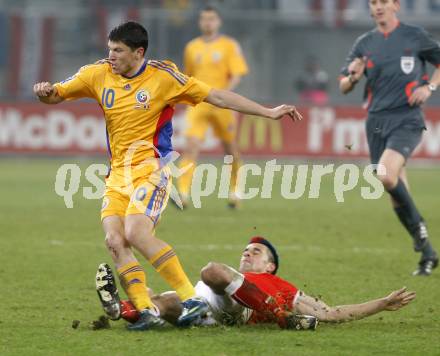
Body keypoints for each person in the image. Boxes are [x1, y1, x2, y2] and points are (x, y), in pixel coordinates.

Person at [33, 21, 301, 331]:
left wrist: (268, 112)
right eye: (110, 49)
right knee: (115, 241)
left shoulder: (164, 77)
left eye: (118, 51)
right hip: (117, 175)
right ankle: (146, 309)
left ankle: (192, 299)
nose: (111, 57)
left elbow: (219, 96)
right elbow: (57, 94)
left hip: (152, 169)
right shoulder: (97, 73)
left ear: (138, 52)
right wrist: (45, 91)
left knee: (136, 232)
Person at [96, 237, 416, 330]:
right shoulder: (239, 276)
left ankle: (281, 318)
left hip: (234, 309)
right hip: (204, 307)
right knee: (157, 302)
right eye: (246, 250)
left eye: (256, 251)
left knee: (212, 271)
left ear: (270, 265)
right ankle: (120, 310)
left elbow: (332, 313)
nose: (248, 253)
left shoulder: (280, 287)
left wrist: (382, 304)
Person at [339, 0, 440, 276]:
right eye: (373, 2)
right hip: (376, 122)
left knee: (385, 175)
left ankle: (419, 224)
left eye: (383, 1)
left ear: (395, 5)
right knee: (394, 189)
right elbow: (344, 85)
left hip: (406, 118)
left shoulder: (414, 36)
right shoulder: (364, 42)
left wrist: (429, 86)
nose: (378, 6)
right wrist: (353, 77)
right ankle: (428, 253)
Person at [177, 5, 249, 209]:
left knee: (230, 149)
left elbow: (237, 74)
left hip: (222, 105)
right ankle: (183, 193)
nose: (208, 22)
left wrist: (225, 94)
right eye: (204, 19)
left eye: (211, 19)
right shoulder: (192, 47)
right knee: (191, 146)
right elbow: (188, 76)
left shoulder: (229, 46)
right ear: (200, 22)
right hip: (198, 103)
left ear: (218, 22)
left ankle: (235, 191)